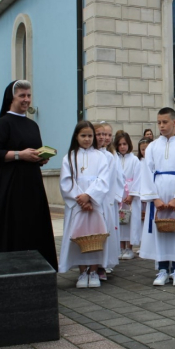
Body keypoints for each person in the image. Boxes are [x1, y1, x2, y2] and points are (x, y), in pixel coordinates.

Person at [0, 80, 58, 271]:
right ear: (12, 97)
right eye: (22, 96)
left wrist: (40, 158)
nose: (26, 100)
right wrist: (20, 155)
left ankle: (37, 269)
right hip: (11, 186)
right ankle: (9, 270)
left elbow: (33, 151)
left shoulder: (32, 125)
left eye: (29, 95)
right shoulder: (3, 123)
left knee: (32, 225)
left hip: (32, 184)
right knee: (13, 226)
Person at [140, 107, 175, 286]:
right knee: (160, 231)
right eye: (159, 123)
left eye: (165, 122)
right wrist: (154, 198)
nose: (161, 126)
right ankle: (162, 269)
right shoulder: (153, 147)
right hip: (158, 192)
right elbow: (147, 172)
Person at [59, 121, 110, 288]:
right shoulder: (69, 157)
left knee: (95, 236)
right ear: (76, 136)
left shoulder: (101, 157)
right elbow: (66, 182)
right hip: (77, 206)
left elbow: (103, 180)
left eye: (90, 136)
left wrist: (89, 196)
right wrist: (80, 200)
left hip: (94, 204)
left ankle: (94, 271)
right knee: (79, 237)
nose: (87, 139)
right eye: (83, 136)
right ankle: (82, 272)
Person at [94, 123, 123, 279]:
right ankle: (91, 264)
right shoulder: (89, 154)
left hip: (107, 200)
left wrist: (116, 197)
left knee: (106, 233)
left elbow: (118, 178)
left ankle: (103, 265)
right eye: (100, 134)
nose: (103, 137)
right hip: (92, 200)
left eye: (107, 134)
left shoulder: (111, 156)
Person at [115, 131, 142, 260]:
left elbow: (138, 178)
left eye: (124, 144)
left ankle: (129, 248)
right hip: (119, 195)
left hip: (131, 196)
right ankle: (120, 247)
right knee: (120, 221)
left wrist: (131, 195)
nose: (122, 147)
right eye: (119, 144)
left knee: (131, 221)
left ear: (129, 144)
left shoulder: (134, 160)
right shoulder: (115, 159)